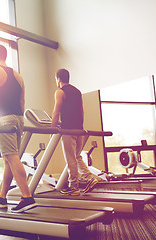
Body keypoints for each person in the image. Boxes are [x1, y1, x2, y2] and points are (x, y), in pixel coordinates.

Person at [0, 45, 36, 213]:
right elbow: (22, 101)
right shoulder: (17, 75)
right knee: (8, 159)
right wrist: (21, 124)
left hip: (3, 119)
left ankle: (27, 196)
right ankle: (1, 196)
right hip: (18, 118)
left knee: (11, 157)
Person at [51, 68, 98, 196]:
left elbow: (56, 112)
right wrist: (80, 127)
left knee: (70, 159)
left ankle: (74, 187)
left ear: (59, 79)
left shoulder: (59, 92)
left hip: (68, 129)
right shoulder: (77, 91)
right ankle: (89, 178)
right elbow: (82, 111)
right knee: (77, 157)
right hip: (79, 129)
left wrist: (52, 129)